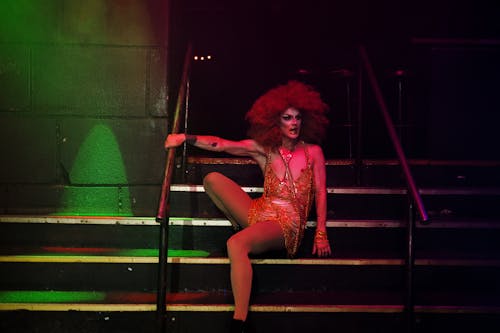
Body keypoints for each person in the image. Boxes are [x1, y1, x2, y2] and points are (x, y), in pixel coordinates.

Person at [164, 80, 332, 333]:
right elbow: (220, 144)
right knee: (212, 179)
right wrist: (184, 138)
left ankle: (240, 322)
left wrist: (321, 232)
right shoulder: (265, 150)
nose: (294, 123)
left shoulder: (314, 152)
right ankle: (240, 225)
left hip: (287, 224)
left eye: (298, 117)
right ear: (275, 121)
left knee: (235, 244)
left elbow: (320, 193)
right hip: (259, 211)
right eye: (287, 117)